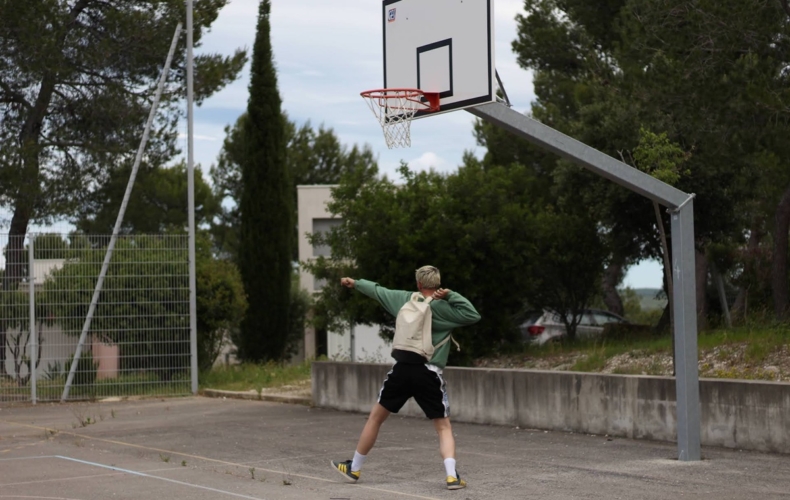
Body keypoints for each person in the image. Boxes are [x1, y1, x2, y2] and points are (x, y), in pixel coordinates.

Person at [330, 265, 481, 490]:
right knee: (443, 428)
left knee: (375, 419)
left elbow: (378, 290)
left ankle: (354, 468)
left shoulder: (404, 300)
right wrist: (451, 295)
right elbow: (472, 314)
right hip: (429, 373)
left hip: (402, 370)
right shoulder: (444, 308)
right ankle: (452, 477)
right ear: (438, 284)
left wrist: (355, 283)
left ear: (419, 284)